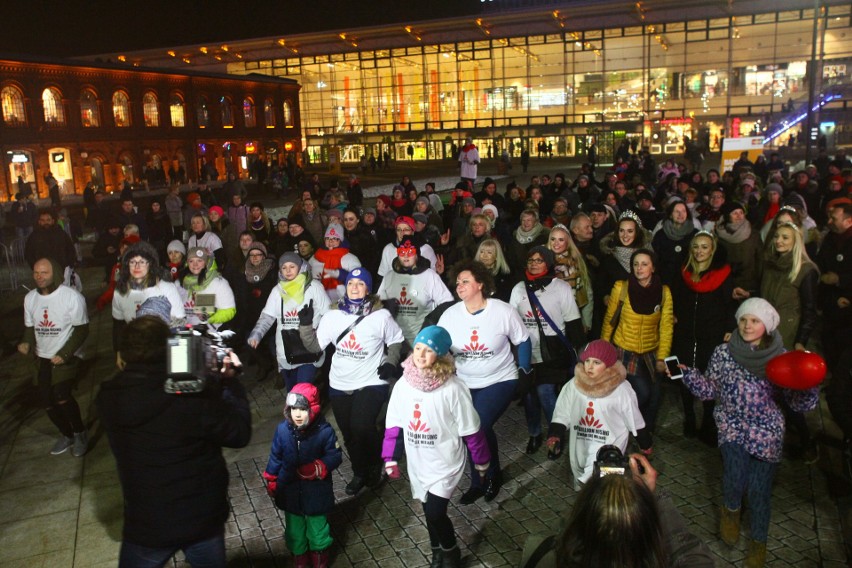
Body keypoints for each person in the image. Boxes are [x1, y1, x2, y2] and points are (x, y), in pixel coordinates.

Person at [97, 312, 251, 568]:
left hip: (146, 522)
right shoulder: (192, 397)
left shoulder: (109, 398)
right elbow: (238, 433)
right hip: (201, 518)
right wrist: (228, 384)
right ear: (167, 350)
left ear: (122, 356)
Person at [678, 298, 819, 568]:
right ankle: (730, 510)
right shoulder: (723, 352)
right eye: (743, 319)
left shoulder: (781, 357)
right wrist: (689, 375)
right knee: (734, 472)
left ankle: (758, 543)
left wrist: (809, 384)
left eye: (754, 321)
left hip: (767, 429)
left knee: (759, 490)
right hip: (731, 423)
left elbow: (796, 403)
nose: (747, 325)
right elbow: (711, 389)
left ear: (766, 325)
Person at [382, 326, 491, 568]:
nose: (420, 355)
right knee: (426, 506)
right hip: (418, 461)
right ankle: (436, 551)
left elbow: (471, 429)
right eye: (418, 348)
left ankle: (451, 553)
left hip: (445, 462)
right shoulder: (403, 385)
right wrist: (390, 457)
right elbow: (394, 424)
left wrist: (481, 462)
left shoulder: (453, 388)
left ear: (440, 355)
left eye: (428, 350)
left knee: (434, 512)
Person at [438, 260, 531, 504]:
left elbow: (523, 339)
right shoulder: (450, 314)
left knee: (476, 425)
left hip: (499, 379)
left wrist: (524, 369)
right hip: (465, 381)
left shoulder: (502, 311)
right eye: (457, 282)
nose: (459, 285)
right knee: (471, 428)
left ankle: (490, 477)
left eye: (465, 281)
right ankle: (479, 480)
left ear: (480, 284)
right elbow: (438, 347)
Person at [520, 453, 714, 567]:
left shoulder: (539, 552)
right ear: (647, 532)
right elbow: (687, 550)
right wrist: (653, 498)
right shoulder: (657, 554)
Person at [309, 267, 405, 495]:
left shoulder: (380, 316)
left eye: (360, 284)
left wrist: (390, 362)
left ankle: (374, 464)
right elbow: (315, 348)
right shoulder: (333, 316)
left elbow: (396, 340)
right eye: (351, 283)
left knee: (361, 426)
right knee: (349, 433)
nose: (354, 287)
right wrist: (305, 327)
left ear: (368, 289)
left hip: (371, 379)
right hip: (340, 383)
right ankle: (359, 471)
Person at [510, 247, 583, 455]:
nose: (534, 263)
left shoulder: (560, 287)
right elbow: (510, 322)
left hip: (551, 350)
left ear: (548, 263)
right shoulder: (519, 289)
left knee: (546, 392)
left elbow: (573, 321)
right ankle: (534, 433)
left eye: (539, 260)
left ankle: (555, 435)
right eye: (531, 260)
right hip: (526, 351)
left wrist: (581, 353)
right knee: (530, 395)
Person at [600, 249, 673, 454]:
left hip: (651, 352)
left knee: (655, 396)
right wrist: (605, 352)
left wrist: (662, 357)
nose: (639, 268)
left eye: (644, 264)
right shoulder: (621, 288)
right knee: (643, 392)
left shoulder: (664, 292)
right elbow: (609, 321)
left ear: (653, 267)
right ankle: (623, 426)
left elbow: (666, 326)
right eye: (635, 264)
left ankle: (644, 439)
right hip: (625, 351)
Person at [262, 383, 342, 568]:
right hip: (289, 491)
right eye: (293, 409)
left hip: (316, 493)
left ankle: (319, 560)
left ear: (313, 409)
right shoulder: (282, 430)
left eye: (303, 409)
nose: (297, 414)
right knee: (295, 532)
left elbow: (335, 455)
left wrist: (318, 467)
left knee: (318, 531)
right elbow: (276, 456)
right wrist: (272, 479)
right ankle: (300, 561)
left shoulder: (325, 432)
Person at [545, 340, 643, 489]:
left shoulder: (621, 389)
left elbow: (633, 418)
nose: (589, 366)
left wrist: (645, 442)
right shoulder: (574, 385)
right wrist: (555, 434)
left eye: (597, 362)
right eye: (587, 361)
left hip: (609, 445)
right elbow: (562, 411)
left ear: (608, 365)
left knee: (603, 486)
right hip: (581, 442)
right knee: (581, 477)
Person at [19, 258, 90, 456]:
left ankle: (80, 433)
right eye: (36, 273)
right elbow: (30, 326)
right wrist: (26, 342)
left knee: (61, 395)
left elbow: (82, 329)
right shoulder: (30, 298)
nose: (39, 277)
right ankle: (67, 434)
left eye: (44, 273)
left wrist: (65, 354)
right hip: (42, 356)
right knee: (46, 400)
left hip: (67, 355)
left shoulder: (71, 297)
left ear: (55, 273)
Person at [670, 231, 735, 444]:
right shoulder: (682, 272)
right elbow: (673, 299)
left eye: (705, 246)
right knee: (681, 375)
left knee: (710, 378)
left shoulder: (723, 274)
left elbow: (730, 305)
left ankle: (708, 420)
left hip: (711, 334)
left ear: (712, 249)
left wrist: (729, 327)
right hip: (684, 334)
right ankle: (689, 417)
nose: (699, 251)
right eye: (696, 246)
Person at [248, 252, 330, 390]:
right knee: (292, 391)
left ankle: (310, 409)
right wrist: (257, 334)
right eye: (284, 267)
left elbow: (329, 315)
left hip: (309, 347)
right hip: (286, 350)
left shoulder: (314, 287)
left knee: (302, 392)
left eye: (292, 266)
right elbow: (267, 316)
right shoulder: (277, 290)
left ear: (300, 267)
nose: (288, 271)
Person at [377, 236, 452, 345]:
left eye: (410, 251)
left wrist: (430, 323)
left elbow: (447, 303)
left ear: (417, 254)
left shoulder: (430, 275)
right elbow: (379, 306)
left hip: (421, 340)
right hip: (393, 341)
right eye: (402, 251)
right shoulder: (389, 276)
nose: (406, 255)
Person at [112, 241, 185, 351]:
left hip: (163, 347)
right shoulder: (120, 291)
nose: (137, 266)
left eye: (142, 262)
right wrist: (119, 351)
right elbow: (119, 325)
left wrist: (175, 354)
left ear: (150, 264)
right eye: (132, 262)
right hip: (135, 348)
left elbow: (179, 325)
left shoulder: (166, 288)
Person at [547, 224, 593, 333]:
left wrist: (586, 321)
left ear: (567, 243)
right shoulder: (541, 262)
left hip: (572, 317)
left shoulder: (576, 263)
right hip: (547, 317)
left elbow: (587, 293)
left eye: (561, 240)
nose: (556, 243)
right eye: (553, 239)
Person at [177, 247, 236, 330]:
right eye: (191, 261)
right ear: (187, 263)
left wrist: (210, 318)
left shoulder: (218, 283)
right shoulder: (181, 282)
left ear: (206, 262)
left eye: (199, 261)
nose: (195, 264)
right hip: (186, 332)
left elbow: (229, 310)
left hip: (210, 334)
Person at [309, 223, 361, 302]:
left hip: (344, 299)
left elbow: (359, 279)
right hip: (320, 298)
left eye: (335, 238)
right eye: (327, 238)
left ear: (340, 240)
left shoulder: (350, 258)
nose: (330, 241)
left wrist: (340, 274)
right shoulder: (315, 257)